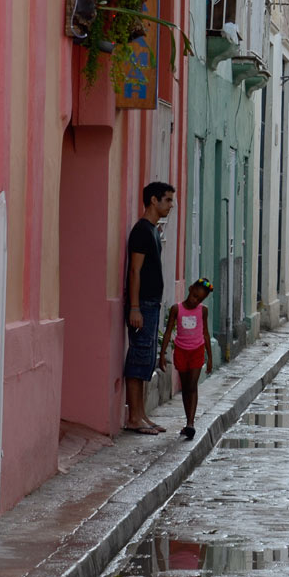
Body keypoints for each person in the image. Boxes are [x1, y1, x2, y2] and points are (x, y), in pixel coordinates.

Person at [124, 181, 176, 435]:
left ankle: (142, 414)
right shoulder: (142, 231)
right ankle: (133, 417)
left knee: (146, 361)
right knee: (138, 357)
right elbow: (134, 270)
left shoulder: (154, 230)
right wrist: (135, 307)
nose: (171, 205)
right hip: (142, 304)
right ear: (153, 201)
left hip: (151, 303)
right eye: (167, 200)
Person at [159, 277, 213, 440]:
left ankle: (191, 423)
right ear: (190, 289)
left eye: (200, 299)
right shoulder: (177, 309)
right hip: (181, 351)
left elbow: (205, 333)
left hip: (197, 351)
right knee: (185, 387)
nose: (195, 300)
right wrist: (162, 354)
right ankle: (187, 421)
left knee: (192, 385)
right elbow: (168, 332)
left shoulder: (202, 311)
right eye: (195, 296)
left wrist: (209, 357)